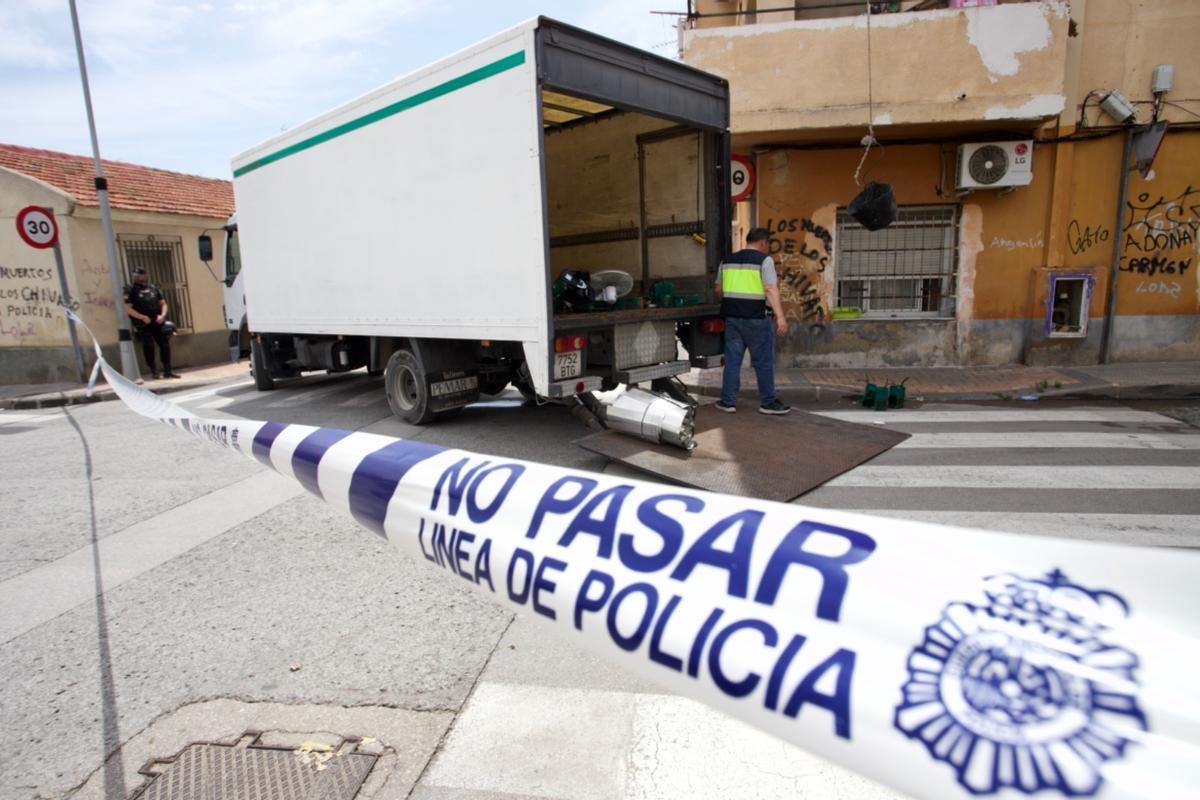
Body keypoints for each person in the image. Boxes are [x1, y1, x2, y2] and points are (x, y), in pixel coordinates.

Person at [714, 227, 790, 415]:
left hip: (732, 319)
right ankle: (768, 402)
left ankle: (727, 402)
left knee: (732, 361)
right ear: (763, 242)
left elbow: (717, 289)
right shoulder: (764, 260)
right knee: (763, 362)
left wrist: (732, 299)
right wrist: (780, 317)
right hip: (756, 319)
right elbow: (770, 289)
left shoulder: (727, 260)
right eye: (767, 244)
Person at [124, 267, 179, 379]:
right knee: (148, 347)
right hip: (143, 324)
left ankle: (168, 371)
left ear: (146, 275)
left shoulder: (153, 288)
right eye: (136, 275)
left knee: (164, 345)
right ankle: (154, 371)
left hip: (157, 321)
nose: (139, 277)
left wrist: (162, 316)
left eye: (141, 275)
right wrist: (142, 317)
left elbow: (163, 304)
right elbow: (127, 308)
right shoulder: (130, 290)